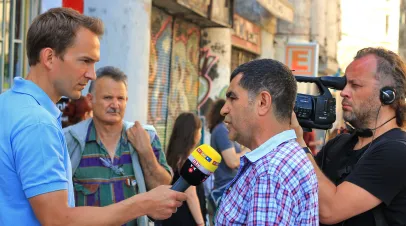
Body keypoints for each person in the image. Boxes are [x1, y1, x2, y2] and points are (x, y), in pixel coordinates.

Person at [0, 8, 186, 226]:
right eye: (85, 61)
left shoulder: (8, 103)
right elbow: (59, 220)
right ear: (49, 57)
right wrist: (143, 204)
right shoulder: (38, 123)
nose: (92, 74)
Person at [292, 47, 406, 225]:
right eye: (344, 84)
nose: (343, 92)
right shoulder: (339, 143)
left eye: (355, 85)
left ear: (387, 95)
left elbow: (330, 211)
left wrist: (298, 141)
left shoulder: (397, 150)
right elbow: (299, 193)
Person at [64, 66, 173, 226]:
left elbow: (163, 189)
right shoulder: (69, 141)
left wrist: (145, 152)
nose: (115, 105)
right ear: (90, 100)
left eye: (120, 98)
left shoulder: (146, 136)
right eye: (108, 98)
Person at [215, 59, 319, 225]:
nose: (224, 109)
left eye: (232, 98)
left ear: (262, 102)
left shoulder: (270, 172)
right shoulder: (282, 158)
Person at [161, 112, 206, 226]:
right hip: (186, 218)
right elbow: (191, 195)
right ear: (193, 133)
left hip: (172, 216)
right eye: (199, 130)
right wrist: (201, 223)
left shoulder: (172, 156)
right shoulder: (187, 160)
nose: (200, 134)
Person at [206, 99, 249, 207]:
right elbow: (233, 161)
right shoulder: (221, 130)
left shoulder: (223, 130)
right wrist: (251, 148)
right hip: (226, 188)